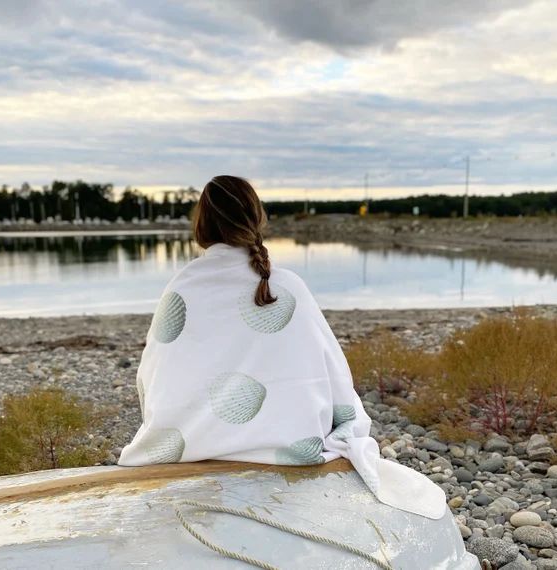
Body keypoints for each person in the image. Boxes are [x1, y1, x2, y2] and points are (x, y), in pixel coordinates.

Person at [117, 175, 446, 520]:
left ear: (201, 227)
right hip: (290, 444)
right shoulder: (287, 286)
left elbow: (153, 376)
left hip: (190, 445)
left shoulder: (182, 286)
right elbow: (332, 373)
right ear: (258, 220)